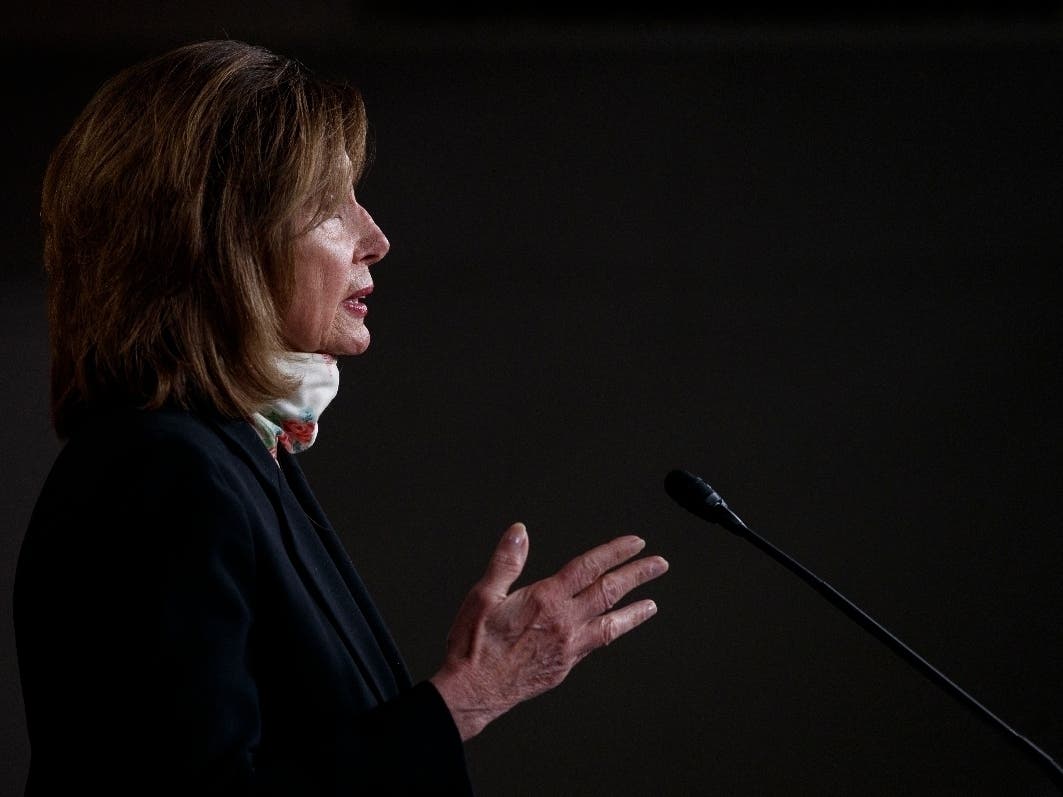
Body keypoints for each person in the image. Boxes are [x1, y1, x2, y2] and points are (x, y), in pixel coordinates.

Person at [12, 39, 669, 796]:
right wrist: (470, 694)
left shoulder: (233, 453)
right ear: (223, 244)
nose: (375, 239)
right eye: (330, 204)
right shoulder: (162, 471)